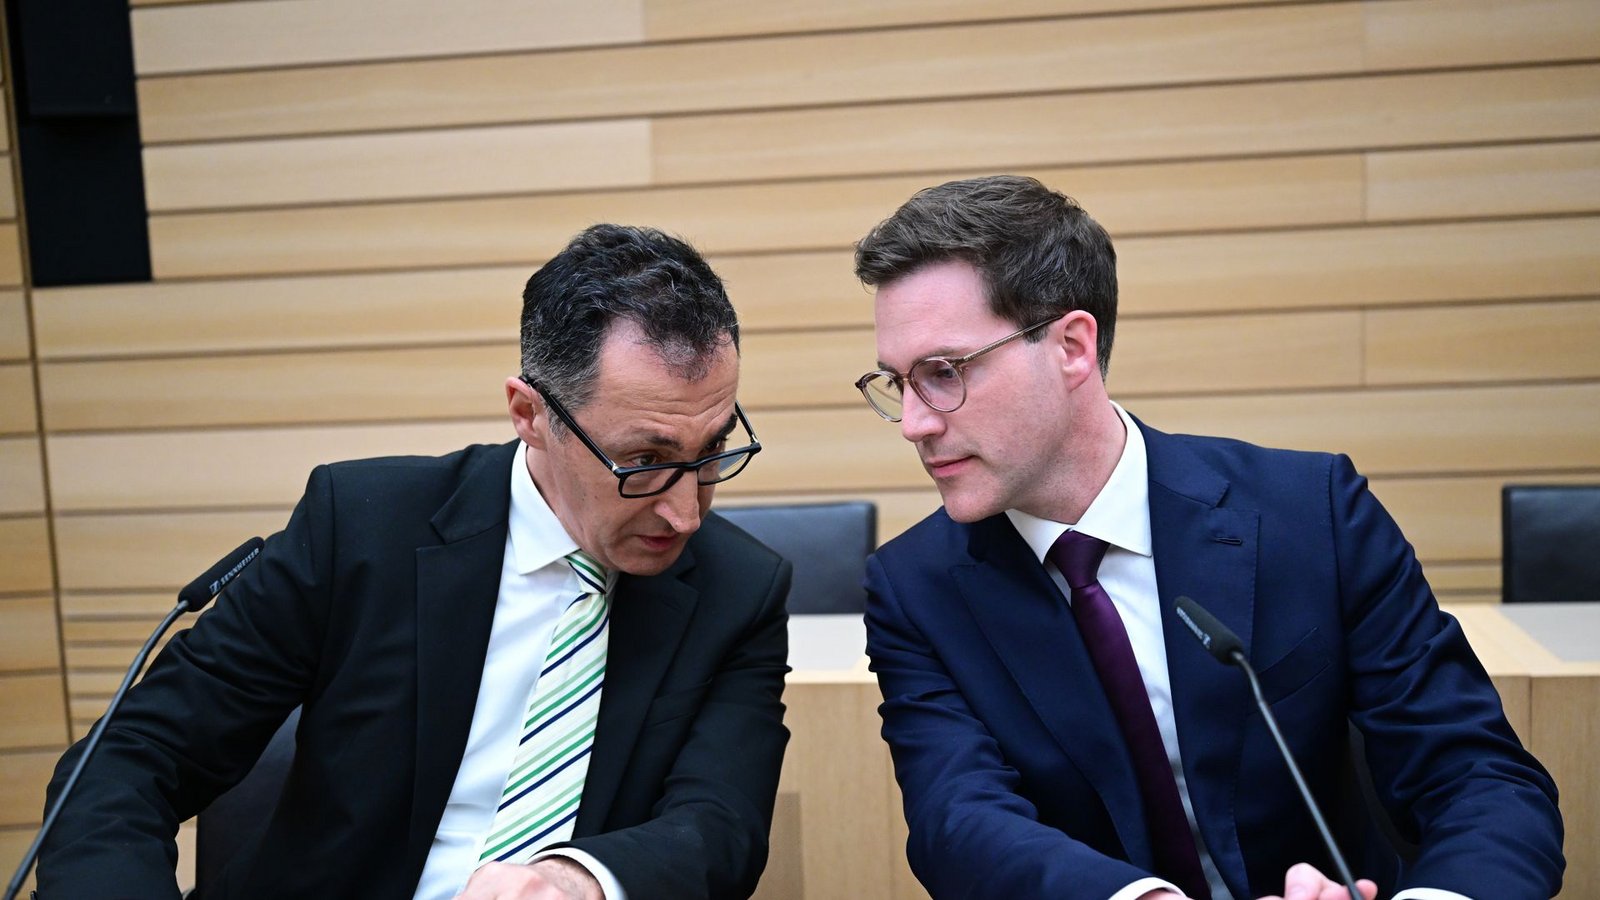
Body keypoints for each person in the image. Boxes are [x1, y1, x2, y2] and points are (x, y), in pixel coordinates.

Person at [851, 176, 1563, 900]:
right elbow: (959, 820)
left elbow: (1478, 777)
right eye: (897, 383)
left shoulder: (1311, 512)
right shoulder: (914, 587)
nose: (914, 422)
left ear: (1071, 346)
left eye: (943, 373)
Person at [37, 224, 792, 900]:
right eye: (644, 461)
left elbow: (719, 827)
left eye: (714, 450)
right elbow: (132, 759)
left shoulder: (739, 591)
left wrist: (576, 882)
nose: (686, 510)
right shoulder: (362, 528)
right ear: (531, 415)